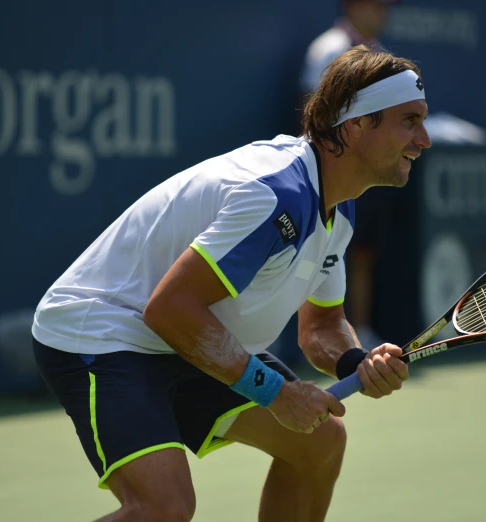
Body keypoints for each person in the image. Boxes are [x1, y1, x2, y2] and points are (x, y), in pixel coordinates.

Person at [32, 45, 431, 522]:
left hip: (189, 338)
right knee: (163, 509)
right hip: (106, 332)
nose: (424, 138)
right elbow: (169, 309)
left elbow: (320, 324)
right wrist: (277, 393)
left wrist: (356, 361)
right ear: (355, 126)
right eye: (409, 120)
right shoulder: (274, 197)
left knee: (320, 442)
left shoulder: (337, 202)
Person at [298, 0, 401, 351]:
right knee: (310, 251)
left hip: (366, 169)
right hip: (327, 172)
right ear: (353, 6)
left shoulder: (382, 55)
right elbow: (313, 112)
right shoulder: (327, 49)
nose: (382, 12)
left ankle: (360, 330)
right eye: (375, 4)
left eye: (386, 6)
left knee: (361, 252)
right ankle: (301, 334)